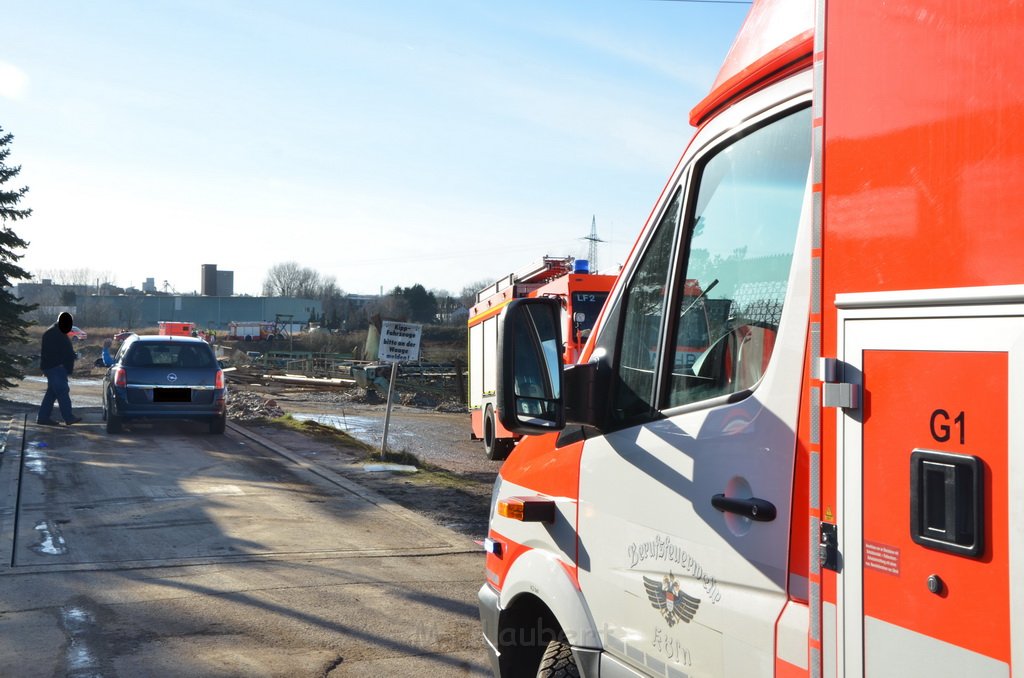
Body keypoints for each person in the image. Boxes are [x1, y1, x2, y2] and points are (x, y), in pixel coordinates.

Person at [37, 312, 82, 426]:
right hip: (55, 368)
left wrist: (72, 355)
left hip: (54, 367)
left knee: (51, 393)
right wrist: (61, 363)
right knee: (63, 391)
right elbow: (52, 352)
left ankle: (43, 417)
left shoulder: (57, 332)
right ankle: (68, 417)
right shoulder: (53, 333)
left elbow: (63, 350)